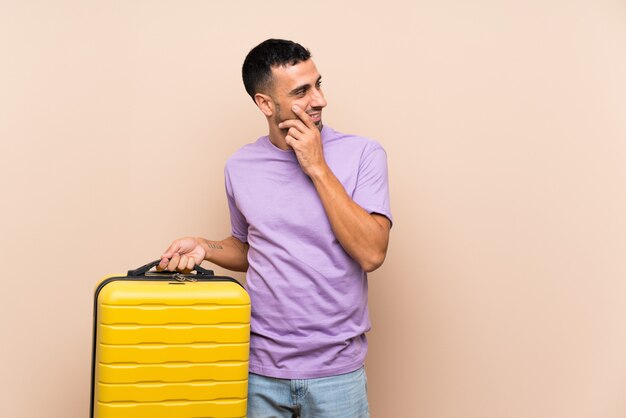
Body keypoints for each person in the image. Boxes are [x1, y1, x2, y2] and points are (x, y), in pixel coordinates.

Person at [157, 38, 392, 418]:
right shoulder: (240, 166)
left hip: (337, 372)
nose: (319, 100)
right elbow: (252, 249)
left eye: (318, 84)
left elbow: (371, 253)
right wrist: (205, 246)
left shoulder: (363, 154)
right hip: (257, 371)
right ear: (265, 104)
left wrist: (317, 167)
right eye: (302, 91)